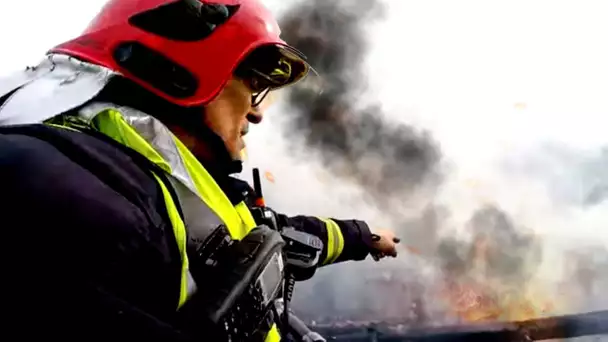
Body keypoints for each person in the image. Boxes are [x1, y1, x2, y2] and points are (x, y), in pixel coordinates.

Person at [0, 0, 400, 340]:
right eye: (252, 83)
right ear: (182, 73)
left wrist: (362, 237)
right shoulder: (71, 192)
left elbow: (271, 236)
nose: (257, 112)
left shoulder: (177, 189)